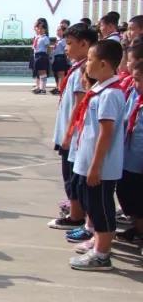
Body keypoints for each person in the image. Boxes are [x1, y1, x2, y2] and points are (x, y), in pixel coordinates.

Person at [60, 39, 127, 270]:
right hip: (89, 161)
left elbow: (106, 134)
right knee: (94, 206)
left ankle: (102, 255)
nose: (86, 65)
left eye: (90, 60)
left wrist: (96, 166)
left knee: (101, 208)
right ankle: (97, 245)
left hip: (101, 166)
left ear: (104, 65)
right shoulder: (99, 90)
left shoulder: (110, 94)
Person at [47, 24, 101, 232]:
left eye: (69, 44)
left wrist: (69, 134)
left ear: (84, 44)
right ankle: (76, 212)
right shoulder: (78, 68)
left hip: (73, 136)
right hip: (68, 134)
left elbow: (79, 105)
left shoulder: (83, 71)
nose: (65, 48)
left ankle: (77, 215)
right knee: (70, 176)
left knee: (73, 177)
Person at [117, 57, 143, 253]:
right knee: (128, 196)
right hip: (129, 157)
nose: (135, 83)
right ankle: (138, 229)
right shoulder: (134, 93)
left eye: (139, 79)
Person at [32, 18, 51, 94]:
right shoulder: (37, 37)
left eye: (42, 28)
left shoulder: (45, 38)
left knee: (43, 72)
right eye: (39, 28)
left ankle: (43, 89)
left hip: (42, 55)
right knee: (39, 72)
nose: (40, 30)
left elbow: (48, 48)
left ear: (45, 29)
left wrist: (48, 56)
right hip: (37, 56)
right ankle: (40, 88)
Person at [51, 21, 70, 94]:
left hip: (61, 58)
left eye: (59, 30)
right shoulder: (59, 40)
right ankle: (58, 87)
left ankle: (60, 88)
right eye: (57, 30)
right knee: (57, 74)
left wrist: (67, 59)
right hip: (56, 58)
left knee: (61, 74)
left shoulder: (64, 40)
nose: (57, 32)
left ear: (64, 31)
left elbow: (66, 50)